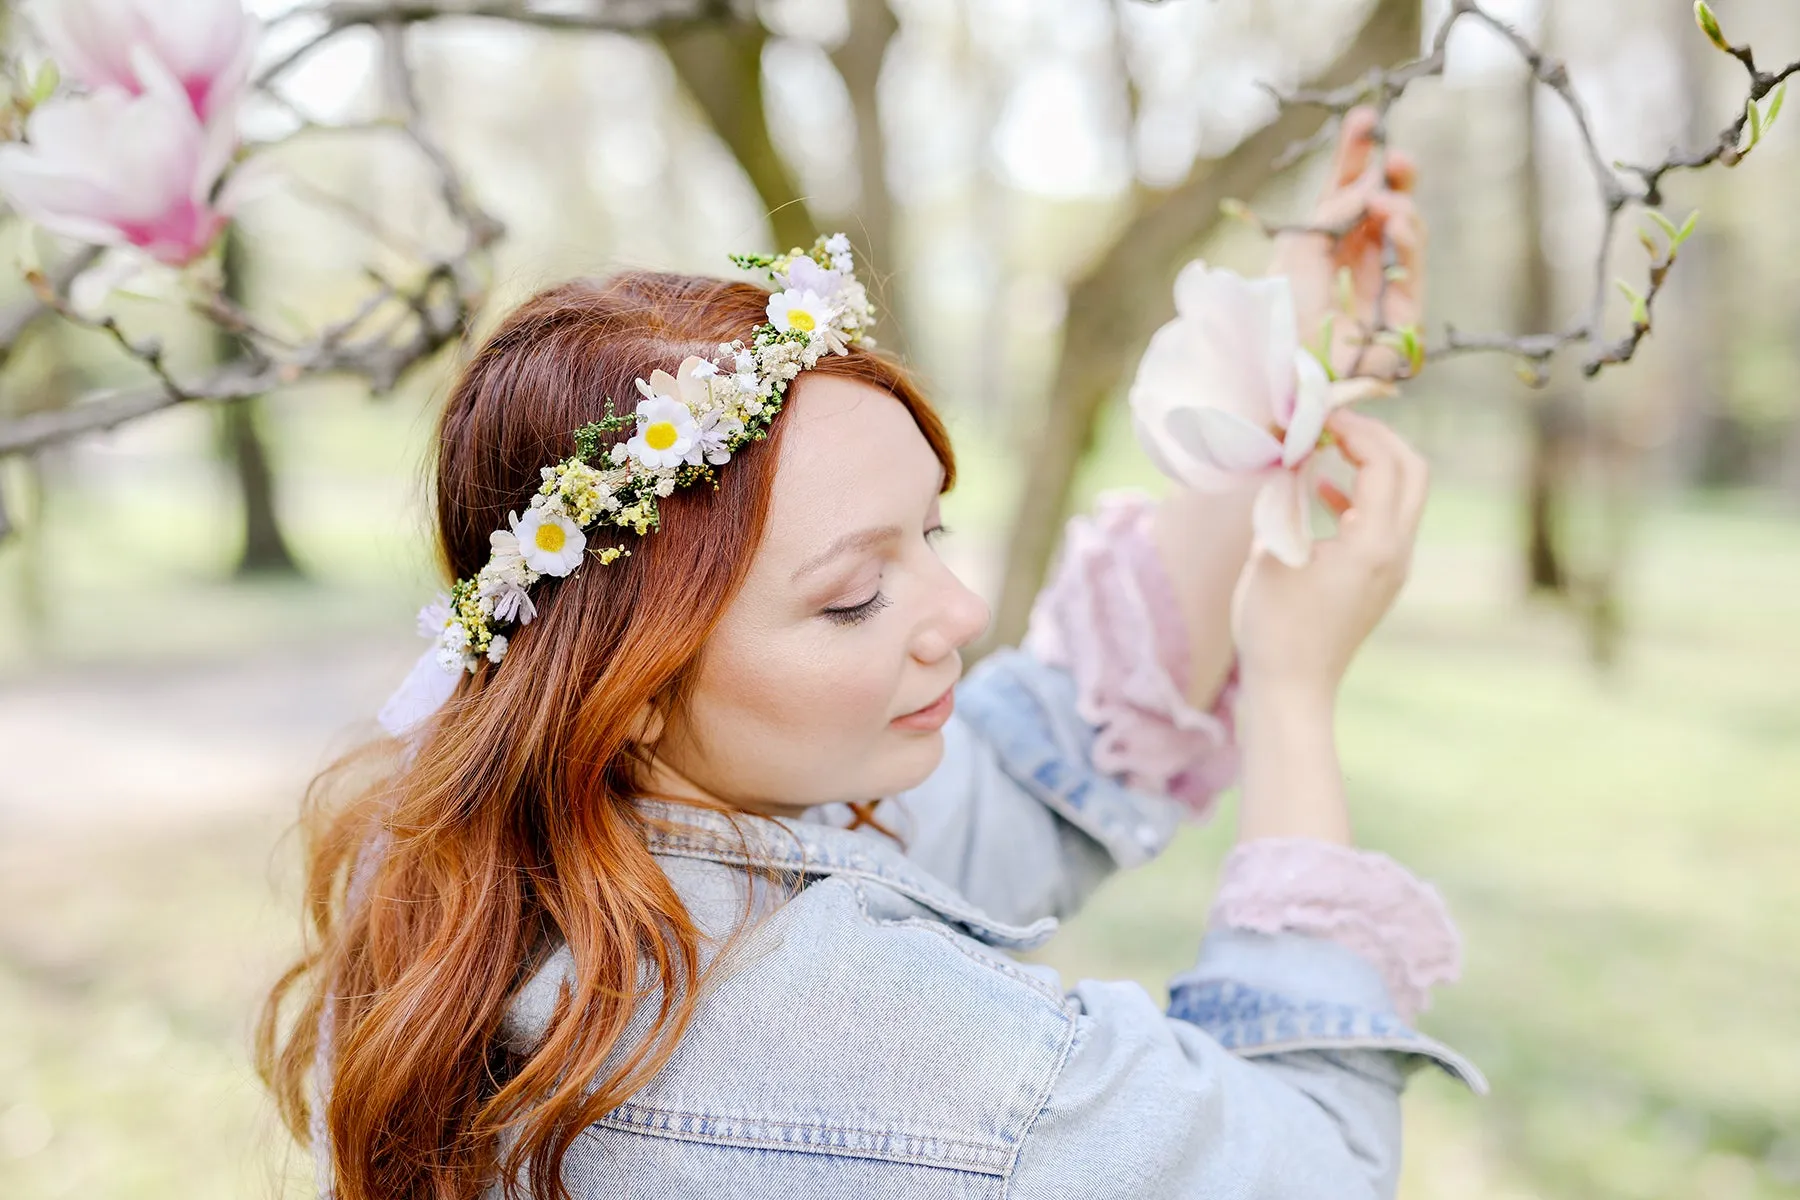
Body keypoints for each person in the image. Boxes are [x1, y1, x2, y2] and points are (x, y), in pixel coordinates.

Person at [259, 108, 1482, 1200]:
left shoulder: (470, 870)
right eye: (854, 597)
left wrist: (1273, 367)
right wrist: (1292, 688)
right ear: (627, 690)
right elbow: (1313, 1160)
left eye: (932, 534)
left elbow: (1031, 772)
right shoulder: (869, 1031)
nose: (953, 611)